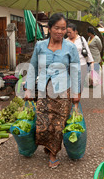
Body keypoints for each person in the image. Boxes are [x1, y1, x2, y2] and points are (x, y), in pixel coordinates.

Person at [24, 13, 81, 169]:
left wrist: (76, 93)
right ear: (49, 28)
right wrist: (29, 88)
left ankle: (53, 153)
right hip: (43, 90)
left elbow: (75, 71)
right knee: (43, 123)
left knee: (58, 125)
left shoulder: (70, 47)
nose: (60, 32)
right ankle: (48, 145)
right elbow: (33, 67)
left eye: (63, 29)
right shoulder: (40, 46)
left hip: (63, 91)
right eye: (56, 28)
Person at [67, 23, 94, 90]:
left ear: (75, 31)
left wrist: (91, 63)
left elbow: (87, 51)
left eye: (70, 32)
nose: (68, 34)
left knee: (80, 84)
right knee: (71, 84)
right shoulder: (65, 41)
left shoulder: (81, 39)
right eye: (67, 32)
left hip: (82, 65)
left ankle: (77, 99)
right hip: (70, 66)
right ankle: (73, 99)